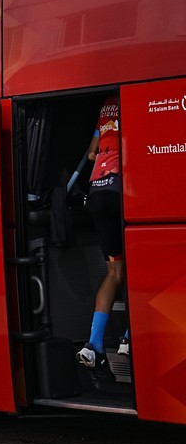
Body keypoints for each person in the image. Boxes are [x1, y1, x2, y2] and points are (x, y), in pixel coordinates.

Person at [77, 92, 127, 370]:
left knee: (114, 271)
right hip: (120, 187)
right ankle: (130, 337)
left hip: (97, 190)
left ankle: (93, 344)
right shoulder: (132, 96)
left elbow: (92, 152)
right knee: (141, 267)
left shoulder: (106, 104)